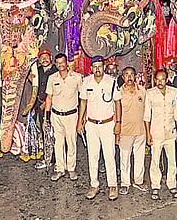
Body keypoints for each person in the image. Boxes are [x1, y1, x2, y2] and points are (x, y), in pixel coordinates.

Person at [76, 56, 122, 201]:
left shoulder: (111, 82)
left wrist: (118, 123)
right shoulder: (86, 82)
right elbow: (83, 102)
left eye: (100, 66)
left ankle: (112, 185)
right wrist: (79, 121)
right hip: (91, 124)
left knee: (109, 156)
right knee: (93, 156)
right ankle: (94, 184)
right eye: (95, 66)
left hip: (108, 124)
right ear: (91, 68)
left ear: (104, 67)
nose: (97, 69)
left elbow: (118, 103)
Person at [143, 68, 177, 201]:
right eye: (157, 79)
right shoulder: (150, 93)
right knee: (155, 160)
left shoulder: (173, 92)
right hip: (156, 133)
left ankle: (172, 185)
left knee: (172, 160)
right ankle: (155, 185)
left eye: (162, 79)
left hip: (170, 132)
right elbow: (147, 116)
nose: (160, 82)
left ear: (166, 80)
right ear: (155, 80)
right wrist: (148, 134)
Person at [45, 53, 82, 182]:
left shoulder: (77, 78)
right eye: (58, 63)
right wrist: (47, 117)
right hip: (56, 115)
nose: (61, 65)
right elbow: (49, 98)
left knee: (71, 142)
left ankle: (71, 169)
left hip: (71, 115)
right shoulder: (52, 78)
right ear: (55, 64)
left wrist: (82, 119)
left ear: (67, 63)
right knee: (58, 143)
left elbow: (83, 98)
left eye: (63, 62)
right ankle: (60, 169)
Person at [117, 67, 145, 195]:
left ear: (135, 76)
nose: (129, 77)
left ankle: (138, 181)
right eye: (126, 74)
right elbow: (115, 112)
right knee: (125, 158)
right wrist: (116, 132)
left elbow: (147, 110)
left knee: (140, 157)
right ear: (123, 77)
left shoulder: (142, 91)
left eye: (131, 74)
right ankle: (125, 183)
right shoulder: (119, 93)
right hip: (125, 131)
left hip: (141, 130)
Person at [32, 50, 56, 170]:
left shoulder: (56, 71)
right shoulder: (38, 71)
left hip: (53, 107)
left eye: (46, 57)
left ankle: (56, 159)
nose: (44, 60)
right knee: (44, 132)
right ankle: (48, 158)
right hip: (40, 106)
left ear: (51, 58)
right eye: (42, 58)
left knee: (54, 134)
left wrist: (47, 103)